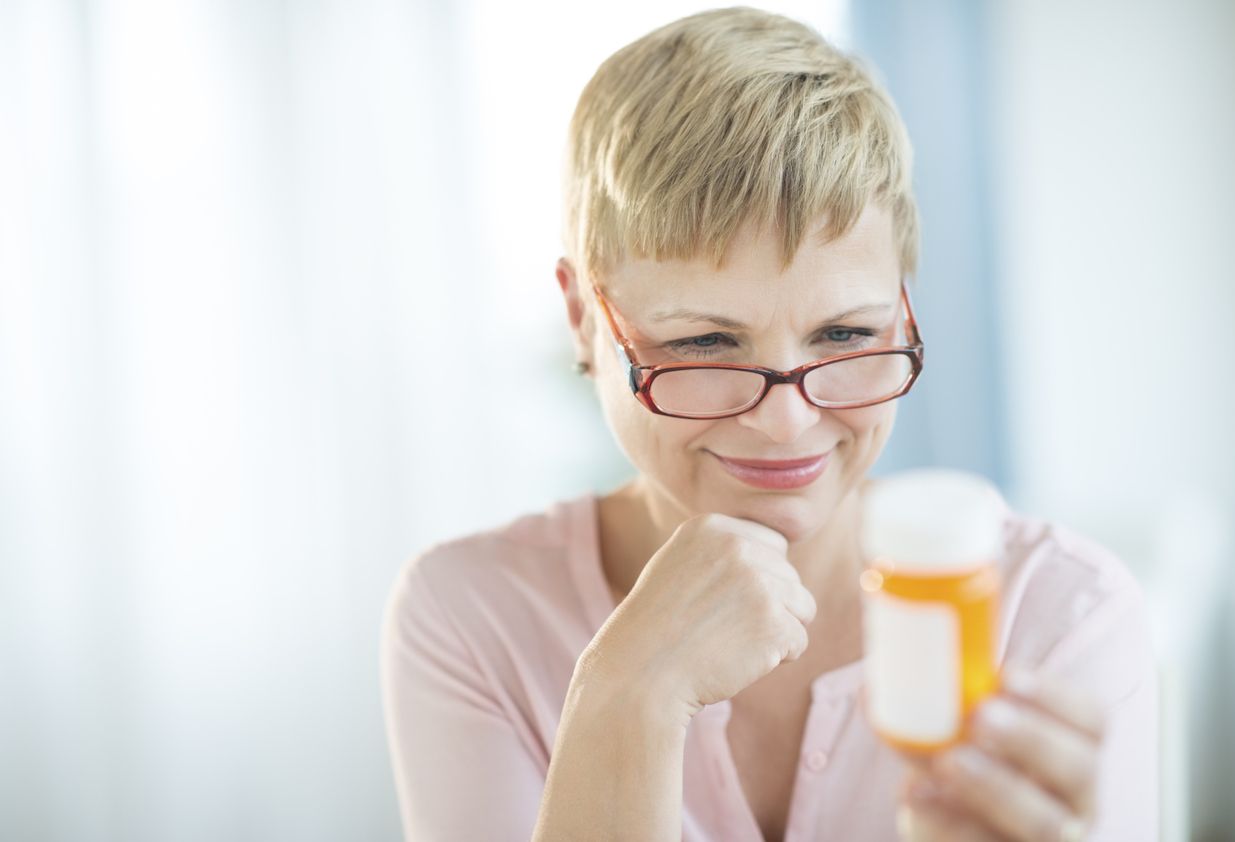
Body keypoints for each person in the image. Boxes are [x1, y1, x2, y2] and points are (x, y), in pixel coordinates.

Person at [380, 7, 1158, 841]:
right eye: (705, 344)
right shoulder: (472, 617)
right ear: (581, 319)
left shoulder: (1058, 617)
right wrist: (628, 693)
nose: (787, 423)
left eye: (846, 335)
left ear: (903, 307)